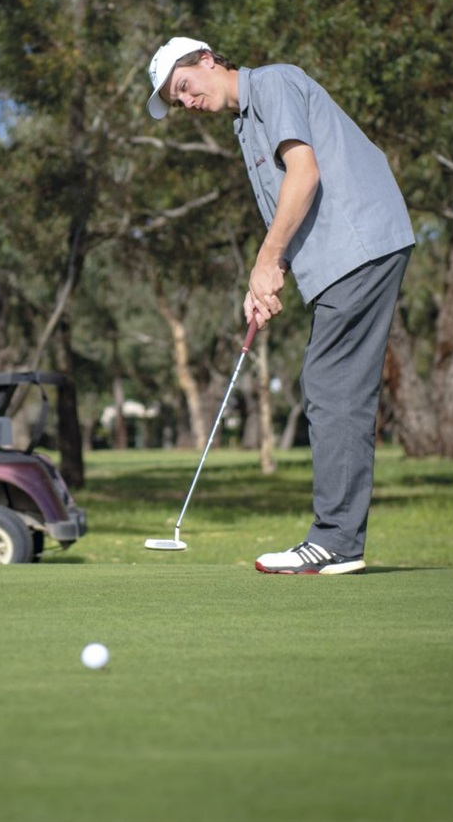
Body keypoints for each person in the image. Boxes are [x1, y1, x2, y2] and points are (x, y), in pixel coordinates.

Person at [146, 36, 415, 574]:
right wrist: (269, 278)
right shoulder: (245, 126)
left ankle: (336, 541)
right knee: (332, 387)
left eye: (184, 87)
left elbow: (305, 173)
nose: (188, 102)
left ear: (206, 59)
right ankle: (341, 540)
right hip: (347, 253)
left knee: (330, 386)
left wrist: (266, 261)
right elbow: (286, 213)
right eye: (179, 102)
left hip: (359, 245)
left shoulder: (272, 82)